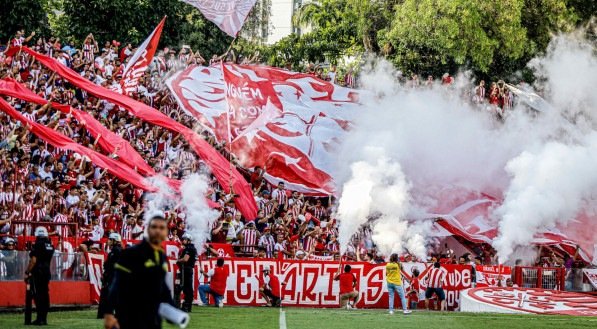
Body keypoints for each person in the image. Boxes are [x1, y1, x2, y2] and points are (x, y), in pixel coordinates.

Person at [103, 213, 175, 329]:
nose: (158, 231)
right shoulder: (130, 253)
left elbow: (163, 287)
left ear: (166, 232)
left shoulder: (162, 257)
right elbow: (117, 284)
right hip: (130, 314)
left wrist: (173, 310)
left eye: (162, 228)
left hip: (153, 317)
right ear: (147, 229)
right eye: (154, 227)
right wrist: (109, 313)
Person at [24, 226, 55, 326]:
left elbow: (33, 260)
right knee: (45, 295)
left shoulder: (37, 245)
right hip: (46, 272)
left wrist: (27, 272)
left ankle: (39, 319)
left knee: (38, 296)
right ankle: (44, 319)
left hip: (38, 272)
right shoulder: (50, 245)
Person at [97, 232, 123, 318]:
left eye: (110, 239)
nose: (108, 241)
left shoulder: (117, 251)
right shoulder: (114, 251)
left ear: (114, 241)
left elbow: (114, 266)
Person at [176, 233, 197, 312]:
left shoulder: (189, 248)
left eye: (184, 239)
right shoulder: (191, 248)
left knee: (186, 288)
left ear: (188, 240)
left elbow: (185, 259)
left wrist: (178, 260)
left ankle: (186, 305)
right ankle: (187, 306)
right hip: (188, 269)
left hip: (186, 269)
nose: (183, 240)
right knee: (187, 288)